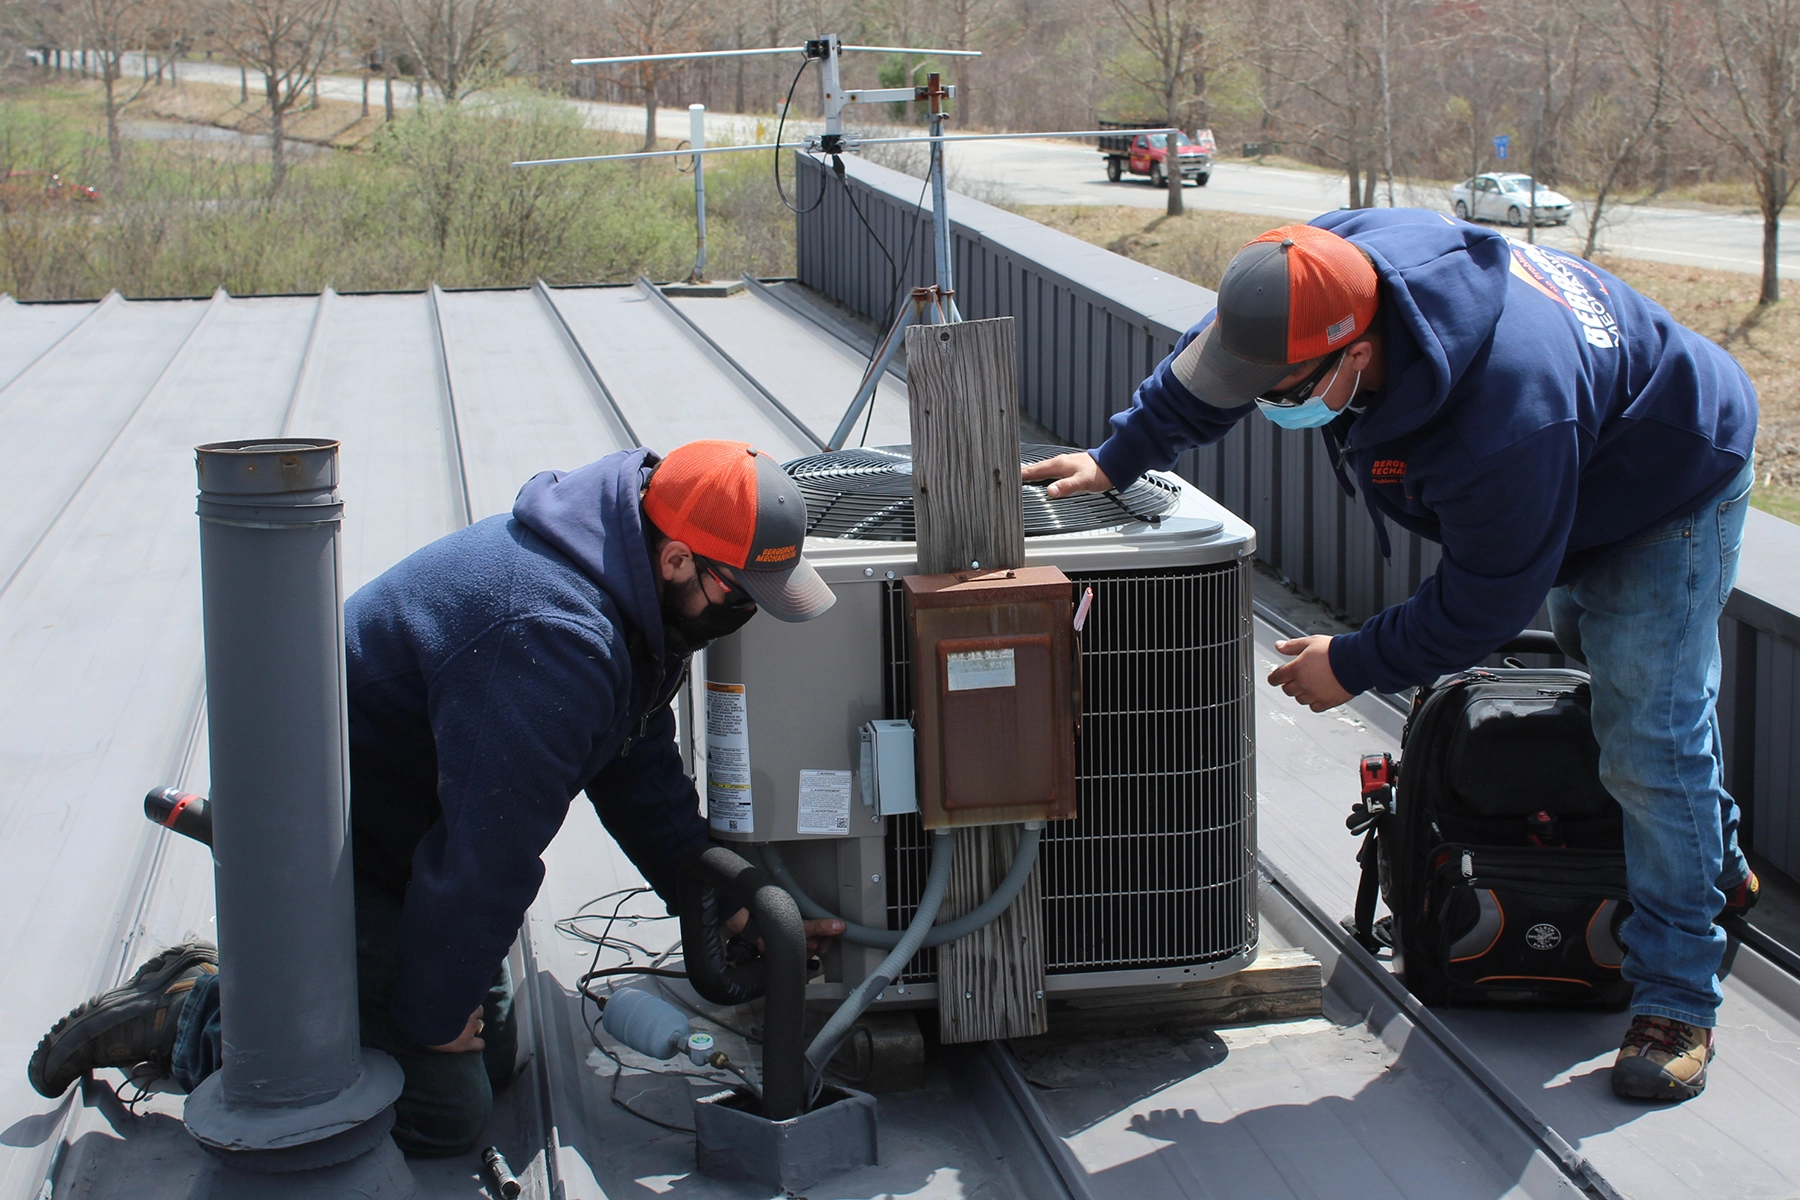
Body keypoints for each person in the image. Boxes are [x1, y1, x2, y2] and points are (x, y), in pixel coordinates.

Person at [1025, 212, 1758, 1103]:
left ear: (1357, 356)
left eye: (1280, 388)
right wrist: (1118, 457)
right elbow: (1212, 369)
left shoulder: (1509, 412)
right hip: (1576, 464)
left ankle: (1678, 999)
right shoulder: (1318, 266)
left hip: (1664, 479)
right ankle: (1713, 862)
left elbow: (1485, 602)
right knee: (1618, 696)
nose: (1258, 401)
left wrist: (1355, 661)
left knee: (1647, 736)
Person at [28, 441, 845, 1153]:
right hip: (320, 859)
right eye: (739, 595)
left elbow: (634, 767)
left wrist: (721, 903)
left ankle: (302, 991)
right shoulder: (553, 636)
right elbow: (485, 858)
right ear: (675, 559)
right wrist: (433, 1013)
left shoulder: (630, 582)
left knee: (491, 1058)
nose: (749, 617)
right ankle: (194, 1009)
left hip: (401, 840)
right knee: (443, 1110)